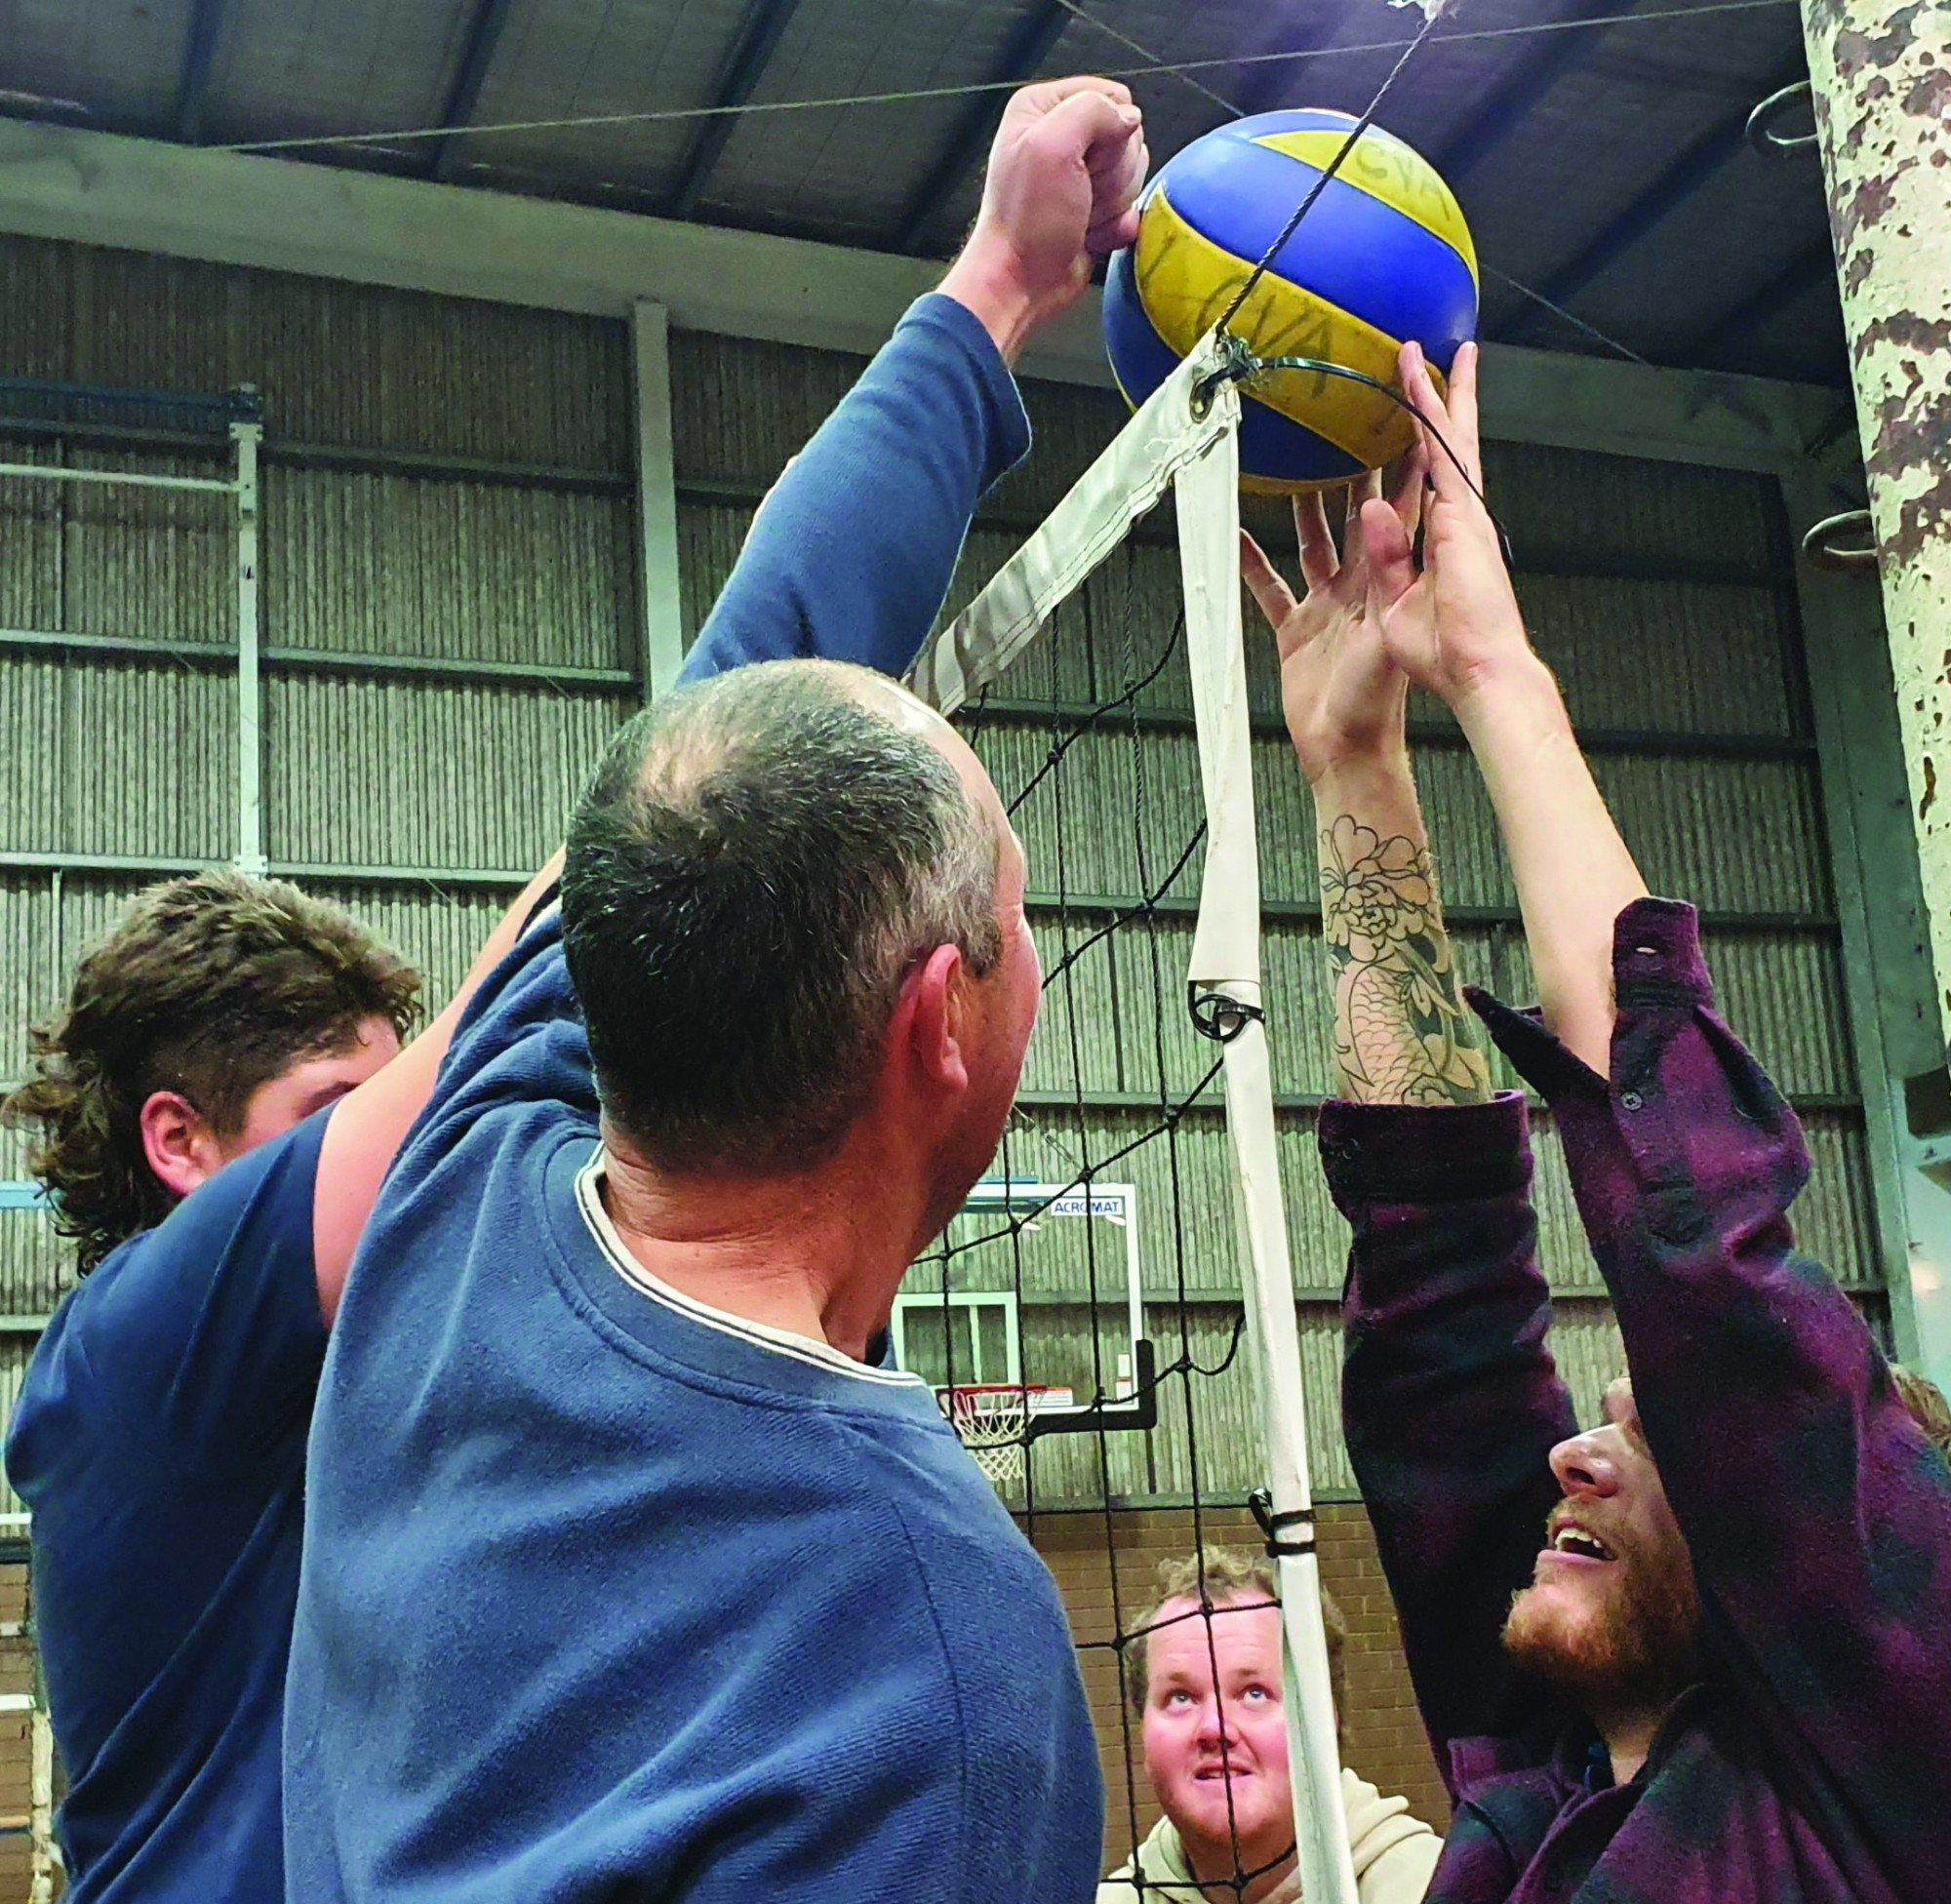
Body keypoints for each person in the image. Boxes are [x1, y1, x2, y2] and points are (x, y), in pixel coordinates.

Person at [280, 78, 1149, 1904]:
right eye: (1018, 905)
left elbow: (742, 676)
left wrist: (995, 284)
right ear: (939, 1021)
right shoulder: (935, 1664)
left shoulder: (466, 1201)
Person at [1243, 337, 1951, 1902]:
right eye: (1620, 1416)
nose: (1573, 1448)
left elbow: (1704, 1258)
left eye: (1655, 1429)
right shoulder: (1535, 1796)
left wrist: (1500, 675)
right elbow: (1438, 1306)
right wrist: (1358, 773)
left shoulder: (1887, 1786)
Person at [1097, 1547, 1441, 1904]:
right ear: (1143, 1737)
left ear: (1325, 1719)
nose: (1214, 1728)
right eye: (1180, 1698)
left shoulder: (1438, 1888)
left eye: (1254, 1693)